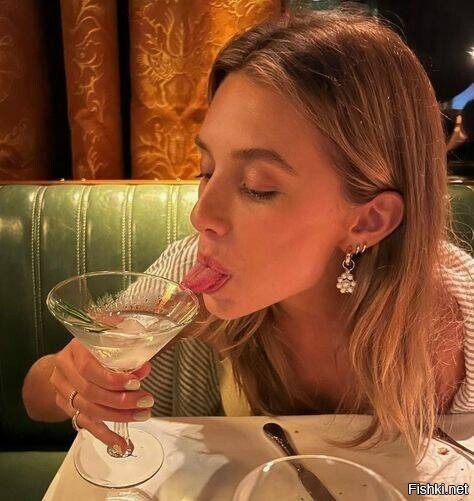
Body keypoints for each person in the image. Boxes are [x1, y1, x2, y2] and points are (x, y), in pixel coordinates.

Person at [22, 8, 473, 461]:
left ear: (368, 221)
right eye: (206, 170)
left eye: (257, 187)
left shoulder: (461, 320)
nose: (201, 215)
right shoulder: (190, 276)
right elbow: (36, 396)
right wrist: (74, 379)